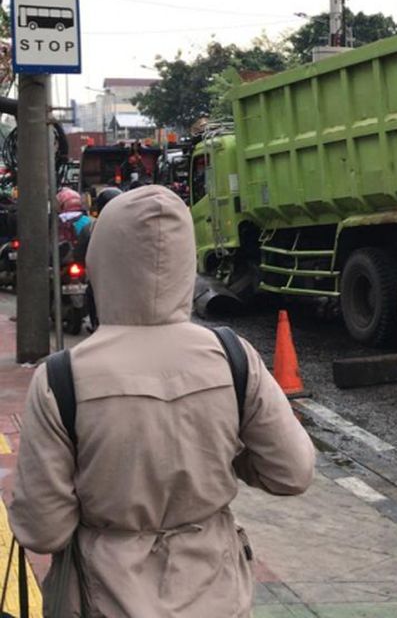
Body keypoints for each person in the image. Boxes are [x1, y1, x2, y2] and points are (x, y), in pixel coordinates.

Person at [10, 186, 314, 616]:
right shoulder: (231, 356)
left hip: (104, 599)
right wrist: (228, 455)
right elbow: (292, 472)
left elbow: (41, 530)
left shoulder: (61, 379)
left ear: (102, 261)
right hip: (218, 595)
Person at [73, 186, 122, 330]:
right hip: (126, 278)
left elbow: (80, 254)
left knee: (92, 293)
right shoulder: (131, 225)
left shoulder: (90, 227)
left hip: (99, 277)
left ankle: (96, 326)